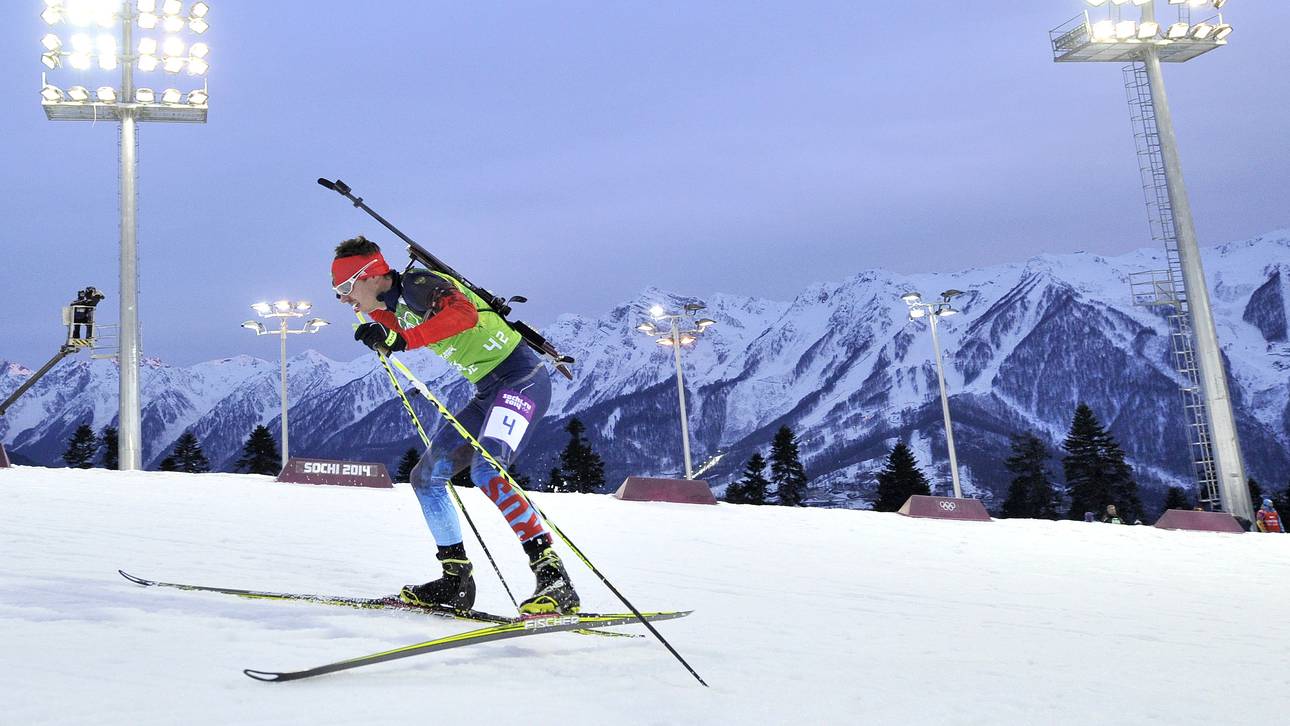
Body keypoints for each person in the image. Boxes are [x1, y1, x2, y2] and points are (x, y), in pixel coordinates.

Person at [331, 236, 579, 615]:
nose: (345, 299)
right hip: (487, 392)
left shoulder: (419, 284)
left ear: (371, 275)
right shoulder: (389, 306)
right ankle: (456, 579)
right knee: (425, 477)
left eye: (346, 288)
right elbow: (390, 327)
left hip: (522, 379)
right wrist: (378, 331)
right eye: (338, 294)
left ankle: (554, 578)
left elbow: (465, 316)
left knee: (486, 471)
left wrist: (402, 338)